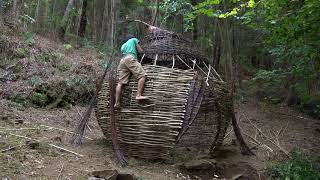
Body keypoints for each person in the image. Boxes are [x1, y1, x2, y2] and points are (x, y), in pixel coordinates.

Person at [114, 34, 148, 109]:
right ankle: (138, 95)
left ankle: (117, 103)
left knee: (120, 83)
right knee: (142, 76)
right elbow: (140, 51)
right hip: (130, 58)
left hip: (122, 61)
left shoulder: (123, 45)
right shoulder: (134, 40)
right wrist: (144, 53)